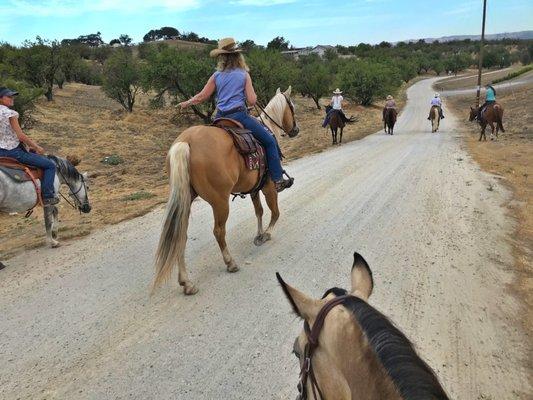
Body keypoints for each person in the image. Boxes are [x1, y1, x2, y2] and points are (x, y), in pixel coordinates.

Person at [178, 37, 293, 192]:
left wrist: (187, 103)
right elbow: (252, 101)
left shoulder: (216, 76)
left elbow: (202, 96)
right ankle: (278, 179)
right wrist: (251, 98)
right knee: (270, 140)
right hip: (239, 116)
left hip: (219, 118)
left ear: (221, 58)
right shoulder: (243, 74)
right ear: (238, 56)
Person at [0, 87, 58, 205]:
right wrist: (36, 147)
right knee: (50, 165)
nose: (12, 99)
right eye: (9, 97)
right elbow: (20, 136)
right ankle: (48, 196)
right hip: (14, 152)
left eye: (12, 96)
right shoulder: (10, 114)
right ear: (1, 99)